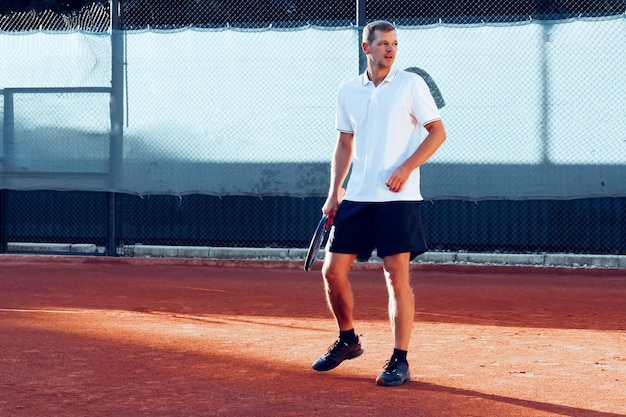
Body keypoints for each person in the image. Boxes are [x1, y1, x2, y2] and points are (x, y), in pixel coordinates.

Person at [311, 20, 446, 386]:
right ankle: (348, 339)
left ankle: (399, 360)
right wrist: (334, 192)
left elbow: (438, 132)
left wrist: (406, 167)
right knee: (332, 272)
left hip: (397, 198)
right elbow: (344, 144)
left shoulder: (411, 84)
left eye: (395, 44)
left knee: (395, 275)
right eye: (384, 44)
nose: (391, 49)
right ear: (366, 48)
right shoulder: (347, 90)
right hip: (356, 196)